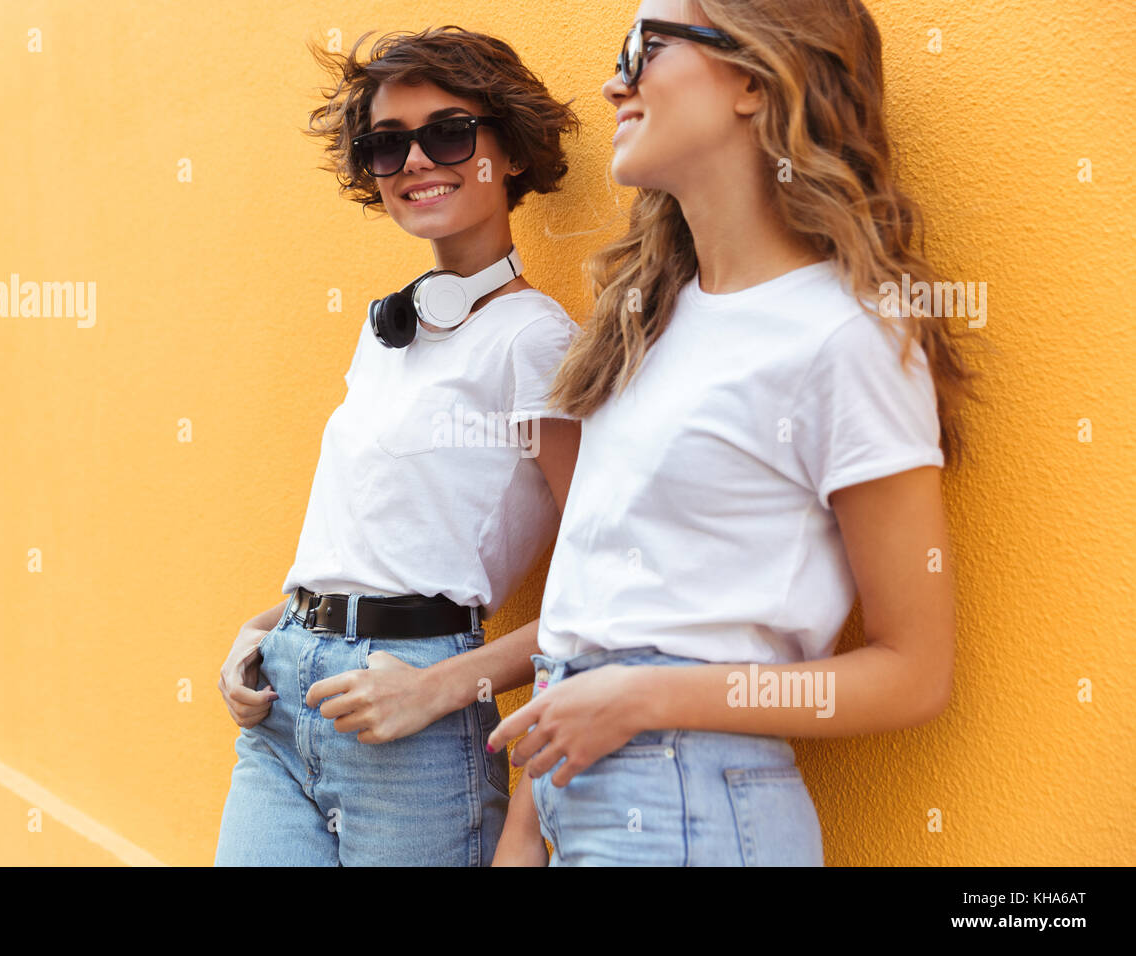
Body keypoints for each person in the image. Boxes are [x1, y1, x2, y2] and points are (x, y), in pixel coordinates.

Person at [488, 0, 987, 866]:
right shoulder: (645, 319)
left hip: (689, 803)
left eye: (644, 49)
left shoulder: (844, 337)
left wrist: (643, 699)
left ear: (754, 79)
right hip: (578, 785)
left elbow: (914, 674)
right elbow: (593, 614)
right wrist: (524, 832)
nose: (613, 83)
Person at [213, 26, 583, 866]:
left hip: (414, 715)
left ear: (508, 153)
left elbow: (610, 583)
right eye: (387, 144)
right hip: (284, 698)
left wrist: (438, 689)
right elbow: (373, 536)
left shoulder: (533, 339)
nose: (415, 160)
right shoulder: (385, 331)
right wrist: (262, 627)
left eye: (448, 133)